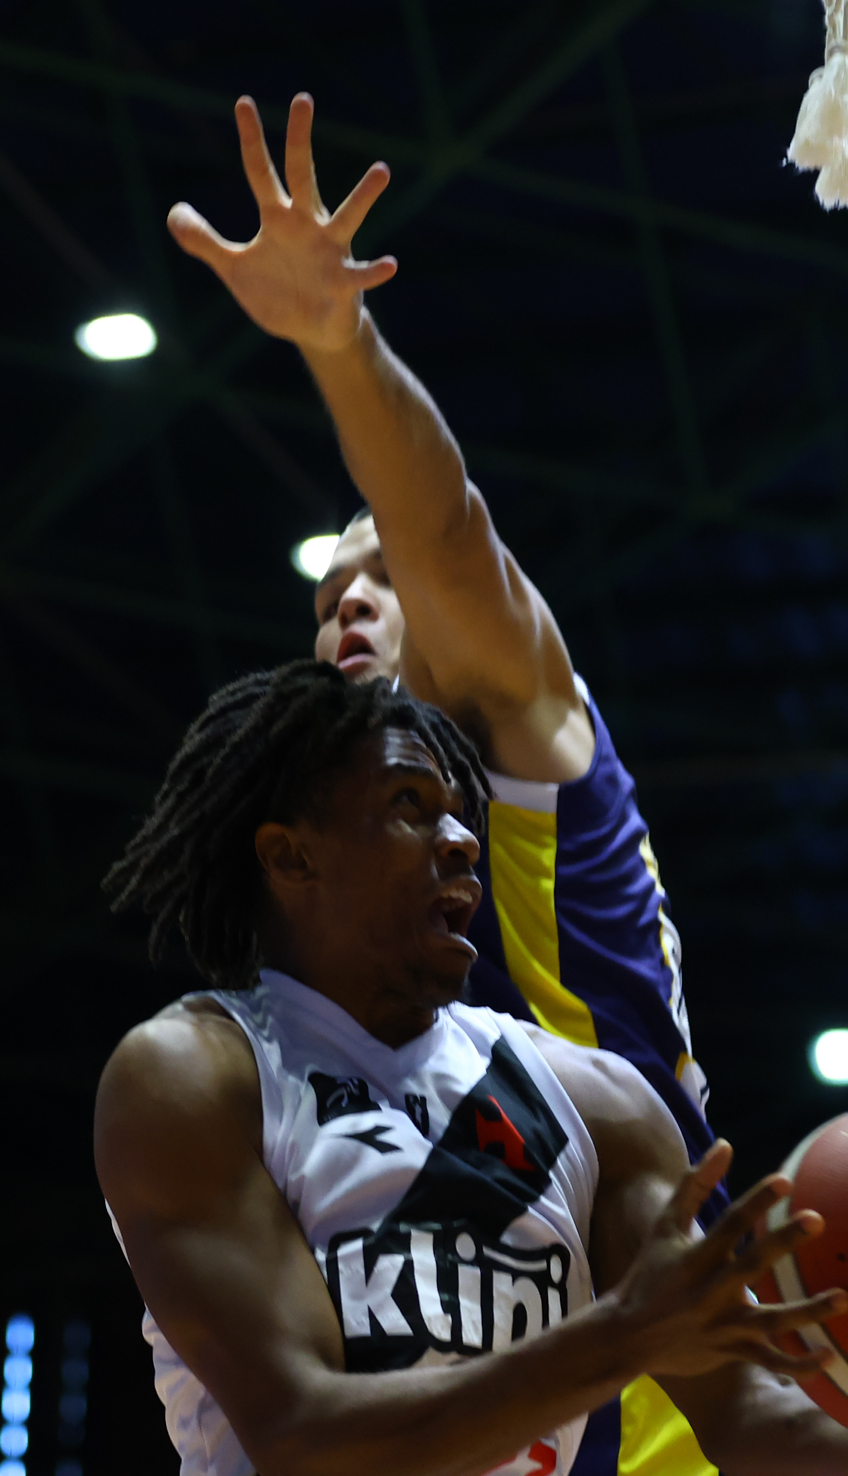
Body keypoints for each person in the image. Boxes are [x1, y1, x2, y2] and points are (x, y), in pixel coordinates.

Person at [96, 661, 848, 1476]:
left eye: (461, 813)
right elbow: (305, 1438)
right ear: (291, 856)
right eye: (409, 804)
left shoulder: (596, 1099)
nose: (459, 841)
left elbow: (746, 1417)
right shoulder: (194, 1076)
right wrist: (621, 1335)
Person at [169, 92, 717, 1476]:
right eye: (323, 599)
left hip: (641, 1417)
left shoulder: (535, 741)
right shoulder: (311, 943)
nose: (345, 604)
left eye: (377, 579)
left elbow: (445, 526)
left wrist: (335, 340)